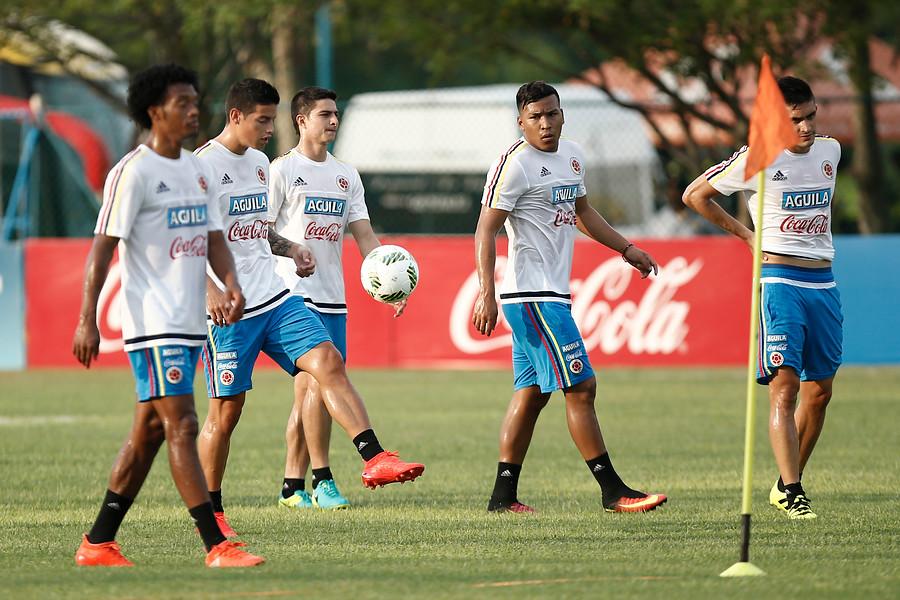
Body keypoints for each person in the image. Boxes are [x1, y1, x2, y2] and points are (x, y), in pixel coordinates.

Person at [195, 80, 424, 534]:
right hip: (229, 310)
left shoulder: (258, 163)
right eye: (262, 120)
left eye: (271, 119)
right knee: (226, 413)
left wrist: (291, 247)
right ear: (236, 116)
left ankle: (374, 457)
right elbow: (182, 240)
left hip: (275, 296)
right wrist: (209, 291)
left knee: (328, 362)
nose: (270, 129)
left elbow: (258, 230)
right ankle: (211, 511)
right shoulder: (202, 167)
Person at [71, 64, 264, 568]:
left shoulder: (196, 170)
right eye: (183, 103)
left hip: (189, 322)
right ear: (155, 112)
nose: (194, 110)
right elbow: (102, 249)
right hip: (153, 323)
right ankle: (216, 544)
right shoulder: (134, 172)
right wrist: (87, 318)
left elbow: (215, 237)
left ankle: (98, 542)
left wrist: (232, 283)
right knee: (182, 425)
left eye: (196, 101)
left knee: (150, 434)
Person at [472, 81, 668, 514]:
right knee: (581, 386)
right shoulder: (514, 164)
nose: (545, 123)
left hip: (552, 294)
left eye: (552, 113)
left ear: (562, 115)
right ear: (520, 122)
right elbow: (486, 228)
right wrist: (486, 292)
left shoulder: (573, 156)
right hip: (531, 295)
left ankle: (503, 497)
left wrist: (626, 249)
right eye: (536, 117)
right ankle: (613, 491)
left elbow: (582, 213)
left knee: (531, 393)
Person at [682, 76, 841, 520]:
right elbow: (695, 195)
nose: (806, 127)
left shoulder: (831, 151)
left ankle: (785, 482)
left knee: (820, 393)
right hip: (780, 282)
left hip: (823, 282)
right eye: (795, 120)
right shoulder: (759, 157)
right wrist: (747, 236)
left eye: (811, 116)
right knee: (784, 389)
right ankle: (794, 492)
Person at [268, 86, 407, 511]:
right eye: (324, 114)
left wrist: (390, 283)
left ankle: (292, 486)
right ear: (301, 120)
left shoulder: (347, 175)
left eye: (335, 114)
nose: (333, 120)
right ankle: (324, 480)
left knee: (309, 392)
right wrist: (292, 252)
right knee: (316, 383)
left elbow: (364, 235)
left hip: (333, 297)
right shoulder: (282, 170)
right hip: (293, 294)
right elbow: (261, 231)